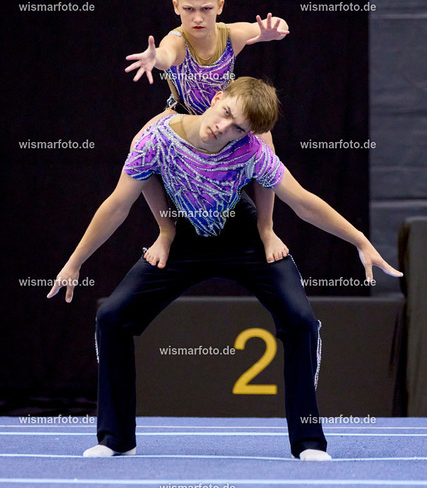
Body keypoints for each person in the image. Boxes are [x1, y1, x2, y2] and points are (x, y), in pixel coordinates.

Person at [47, 77, 402, 461]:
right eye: (226, 113)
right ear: (217, 97)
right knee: (112, 317)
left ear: (248, 134)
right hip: (186, 238)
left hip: (243, 238)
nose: (223, 127)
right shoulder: (156, 138)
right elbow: (118, 204)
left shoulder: (252, 151)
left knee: (301, 322)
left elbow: (303, 202)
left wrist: (359, 240)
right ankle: (117, 438)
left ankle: (309, 442)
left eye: (238, 128)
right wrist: (76, 261)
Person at [125, 0, 290, 267]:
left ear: (220, 7)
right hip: (183, 114)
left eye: (206, 9)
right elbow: (166, 55)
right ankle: (166, 231)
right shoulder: (177, 41)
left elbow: (276, 26)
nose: (198, 17)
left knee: (265, 142)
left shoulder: (231, 35)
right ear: (176, 7)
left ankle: (266, 228)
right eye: (189, 9)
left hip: (224, 115)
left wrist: (274, 30)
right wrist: (155, 59)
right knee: (138, 145)